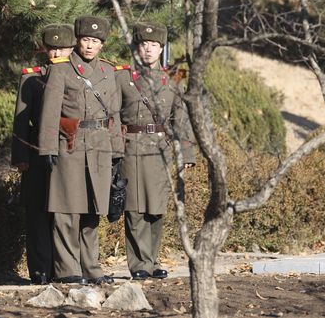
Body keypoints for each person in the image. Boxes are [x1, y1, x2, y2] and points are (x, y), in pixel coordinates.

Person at [38, 15, 124, 285]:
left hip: (99, 146)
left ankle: (91, 267)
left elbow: (114, 114)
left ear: (102, 45)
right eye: (86, 40)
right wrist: (48, 147)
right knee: (66, 210)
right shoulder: (61, 70)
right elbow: (49, 112)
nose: (89, 46)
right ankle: (67, 269)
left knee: (92, 211)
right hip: (70, 146)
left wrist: (117, 151)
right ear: (77, 40)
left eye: (95, 41)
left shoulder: (108, 72)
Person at [115, 22, 196, 280]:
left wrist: (187, 153)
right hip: (131, 146)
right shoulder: (123, 76)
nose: (148, 50)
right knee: (135, 208)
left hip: (160, 149)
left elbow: (181, 117)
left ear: (162, 48)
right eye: (143, 44)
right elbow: (113, 115)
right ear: (137, 48)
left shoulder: (174, 77)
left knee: (156, 208)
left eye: (154, 45)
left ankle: (150, 260)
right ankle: (138, 265)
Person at [11, 24, 75, 285]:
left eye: (62, 47)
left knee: (65, 212)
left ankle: (65, 268)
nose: (56, 52)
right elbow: (21, 121)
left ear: (72, 49)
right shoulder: (33, 76)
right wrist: (21, 156)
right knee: (38, 211)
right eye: (52, 47)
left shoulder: (78, 75)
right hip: (38, 152)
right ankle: (40, 269)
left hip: (70, 150)